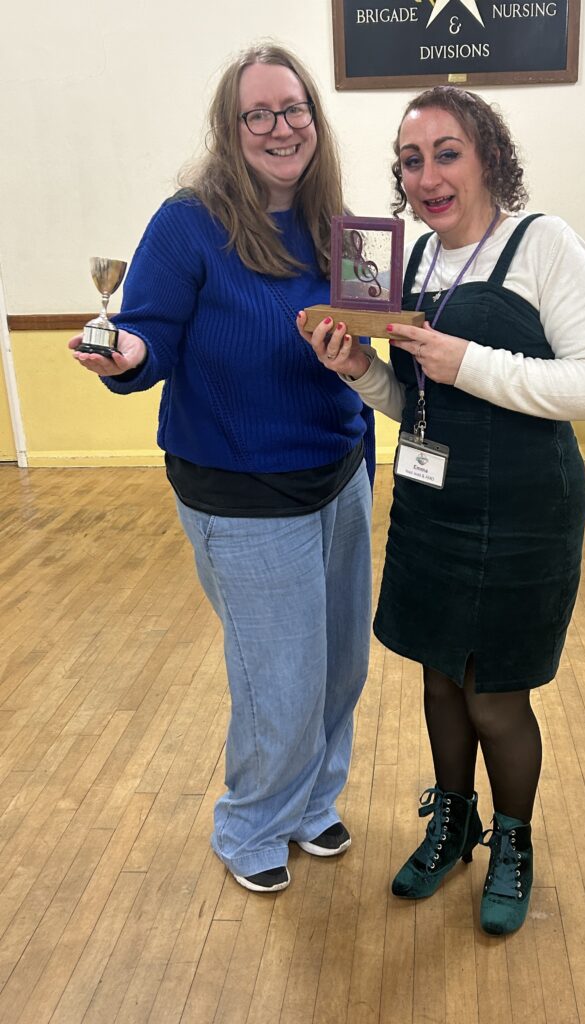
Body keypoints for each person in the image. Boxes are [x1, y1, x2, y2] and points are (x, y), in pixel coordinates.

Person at [299, 86, 585, 934]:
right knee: (440, 682)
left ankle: (513, 842)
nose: (428, 176)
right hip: (431, 510)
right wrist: (356, 372)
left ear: (488, 156)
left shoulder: (542, 244)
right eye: (411, 160)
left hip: (525, 516)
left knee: (494, 698)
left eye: (447, 153)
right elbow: (412, 400)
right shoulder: (408, 265)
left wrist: (467, 361)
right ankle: (455, 824)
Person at [69, 44, 375, 894]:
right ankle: (250, 827)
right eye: (259, 114)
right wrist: (126, 350)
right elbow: (149, 333)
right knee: (281, 678)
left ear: (315, 118)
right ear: (231, 128)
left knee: (342, 665)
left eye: (294, 110)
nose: (280, 128)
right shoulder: (189, 222)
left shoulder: (337, 224)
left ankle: (312, 804)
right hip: (239, 493)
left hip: (339, 473)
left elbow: (365, 338)